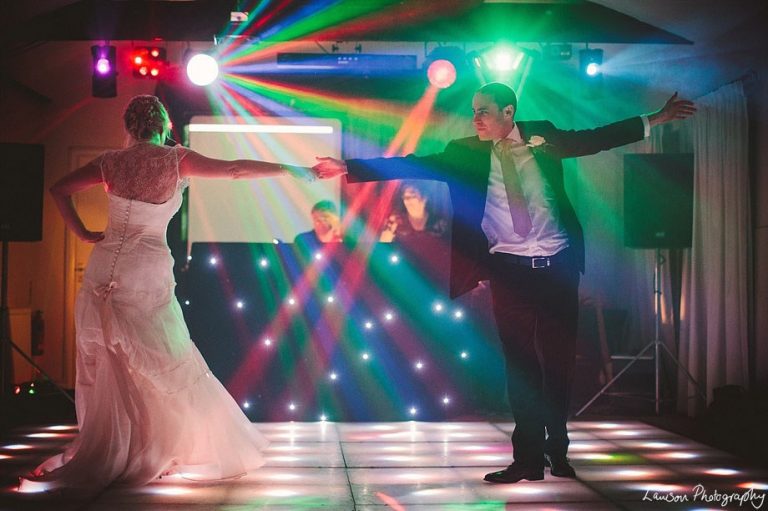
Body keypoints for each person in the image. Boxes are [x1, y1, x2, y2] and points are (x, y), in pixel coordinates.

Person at [313, 82, 695, 484]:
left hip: (557, 268)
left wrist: (654, 119)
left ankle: (557, 449)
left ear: (509, 112)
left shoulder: (542, 135)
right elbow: (412, 163)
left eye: (484, 111)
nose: (475, 118)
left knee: (558, 364)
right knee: (521, 367)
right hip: (508, 273)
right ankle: (526, 459)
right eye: (474, 111)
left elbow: (597, 139)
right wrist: (349, 167)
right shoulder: (464, 152)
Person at [19, 95, 313, 493]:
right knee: (163, 356)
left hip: (105, 265)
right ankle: (152, 448)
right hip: (145, 268)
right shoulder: (175, 160)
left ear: (129, 127)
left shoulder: (110, 162)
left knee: (109, 359)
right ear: (164, 124)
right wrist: (289, 168)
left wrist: (84, 233)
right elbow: (235, 170)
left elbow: (58, 189)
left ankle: (122, 447)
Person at [379, 180, 448, 244]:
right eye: (405, 197)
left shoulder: (439, 225)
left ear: (424, 198)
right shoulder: (396, 223)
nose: (407, 201)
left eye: (412, 196)